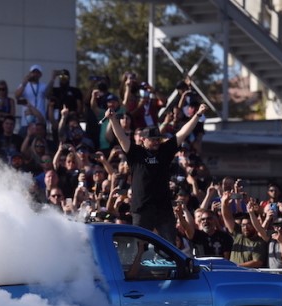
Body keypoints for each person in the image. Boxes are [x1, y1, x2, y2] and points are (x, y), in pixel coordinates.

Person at [105, 102, 208, 243]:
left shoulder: (165, 150)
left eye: (158, 139)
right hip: (142, 208)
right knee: (140, 246)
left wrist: (198, 115)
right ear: (143, 140)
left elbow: (183, 132)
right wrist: (112, 120)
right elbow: (122, 137)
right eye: (152, 140)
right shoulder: (135, 152)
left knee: (169, 245)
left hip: (163, 209)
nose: (156, 142)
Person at [220, 196, 266, 268]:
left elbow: (257, 262)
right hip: (232, 273)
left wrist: (235, 266)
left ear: (255, 225)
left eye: (249, 224)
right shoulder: (238, 234)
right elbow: (227, 217)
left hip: (247, 276)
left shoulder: (259, 242)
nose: (245, 227)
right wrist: (224, 203)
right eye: (243, 225)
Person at [14, 65, 52, 133]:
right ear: (29, 73)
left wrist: (52, 79)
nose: (35, 74)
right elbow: (17, 96)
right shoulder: (25, 85)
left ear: (40, 74)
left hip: (40, 121)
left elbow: (48, 96)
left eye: (37, 72)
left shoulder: (43, 86)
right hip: (26, 121)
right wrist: (23, 84)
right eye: (33, 72)